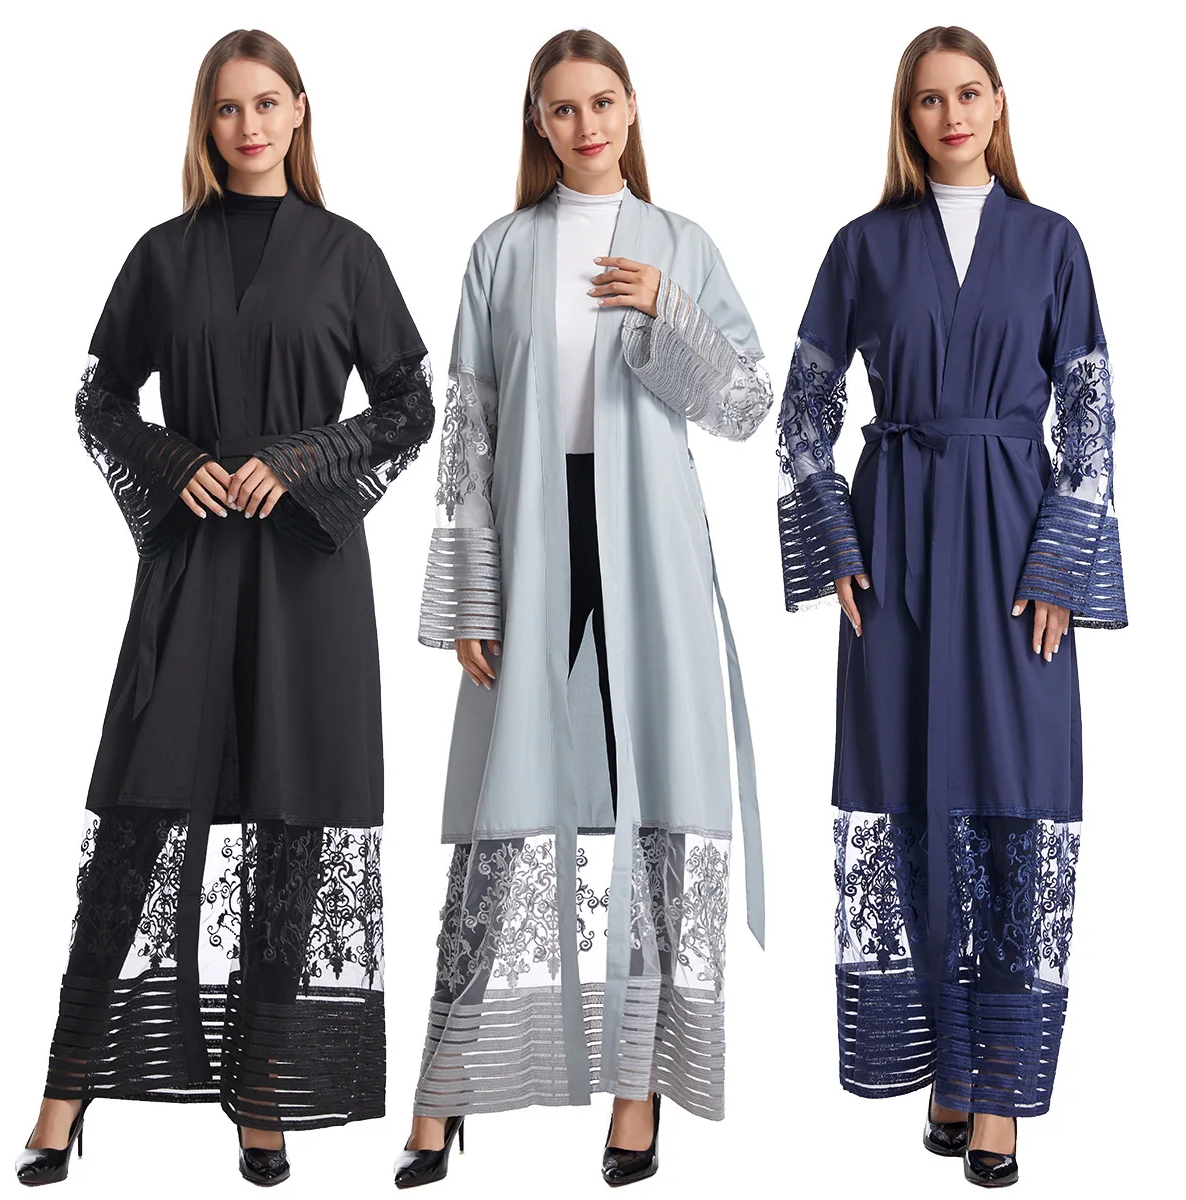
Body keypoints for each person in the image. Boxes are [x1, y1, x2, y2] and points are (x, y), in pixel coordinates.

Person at [14, 28, 434, 1188]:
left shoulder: (348, 253)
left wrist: (301, 460)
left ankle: (266, 1095)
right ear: (206, 123)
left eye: (265, 103)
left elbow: (409, 405)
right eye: (226, 107)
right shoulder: (164, 254)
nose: (247, 125)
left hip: (308, 576)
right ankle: (65, 1091)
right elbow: (100, 397)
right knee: (140, 809)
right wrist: (172, 459)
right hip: (194, 568)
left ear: (300, 111)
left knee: (292, 820)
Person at [394, 28, 771, 1191]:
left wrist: (667, 310)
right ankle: (445, 1089)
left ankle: (637, 1092)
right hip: (534, 541)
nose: (586, 125)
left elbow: (746, 405)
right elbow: (468, 433)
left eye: (602, 102)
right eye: (562, 108)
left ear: (632, 107)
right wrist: (472, 591)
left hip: (649, 548)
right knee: (502, 813)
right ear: (537, 123)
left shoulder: (679, 244)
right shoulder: (502, 251)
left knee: (657, 805)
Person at [775, 24, 1126, 1190]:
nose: (952, 115)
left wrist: (1062, 566)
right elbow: (803, 409)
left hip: (1016, 539)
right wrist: (834, 539)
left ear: (999, 103)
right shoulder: (863, 246)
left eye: (970, 93)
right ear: (907, 116)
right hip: (896, 546)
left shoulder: (1052, 242)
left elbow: (1090, 413)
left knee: (1017, 800)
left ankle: (1001, 1093)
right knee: (912, 798)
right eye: (930, 99)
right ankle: (947, 1066)